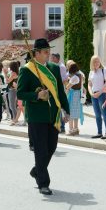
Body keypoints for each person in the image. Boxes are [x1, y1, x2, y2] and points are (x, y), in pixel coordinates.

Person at [17, 38, 70, 196]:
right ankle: (43, 183)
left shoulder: (54, 68)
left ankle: (37, 170)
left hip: (53, 114)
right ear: (37, 53)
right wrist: (37, 95)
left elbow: (60, 91)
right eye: (46, 51)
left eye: (49, 51)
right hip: (36, 115)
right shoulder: (27, 69)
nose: (49, 54)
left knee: (51, 147)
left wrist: (66, 109)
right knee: (40, 150)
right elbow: (20, 93)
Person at [88, 56, 106, 139]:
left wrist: (100, 92)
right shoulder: (91, 72)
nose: (96, 63)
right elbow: (89, 84)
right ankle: (99, 132)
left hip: (102, 94)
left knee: (104, 114)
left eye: (97, 61)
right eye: (94, 61)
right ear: (92, 63)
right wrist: (91, 93)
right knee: (97, 115)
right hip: (94, 95)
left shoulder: (104, 70)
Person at [65, 61, 84, 136]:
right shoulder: (80, 75)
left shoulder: (74, 77)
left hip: (73, 95)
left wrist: (67, 81)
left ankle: (71, 130)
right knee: (76, 113)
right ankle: (76, 129)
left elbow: (67, 87)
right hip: (77, 94)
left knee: (71, 112)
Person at [6, 61, 20, 126]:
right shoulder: (14, 72)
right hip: (11, 90)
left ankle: (15, 119)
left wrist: (5, 73)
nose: (9, 66)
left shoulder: (13, 73)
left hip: (12, 90)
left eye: (10, 65)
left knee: (12, 106)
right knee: (11, 106)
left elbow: (8, 81)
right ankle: (14, 119)